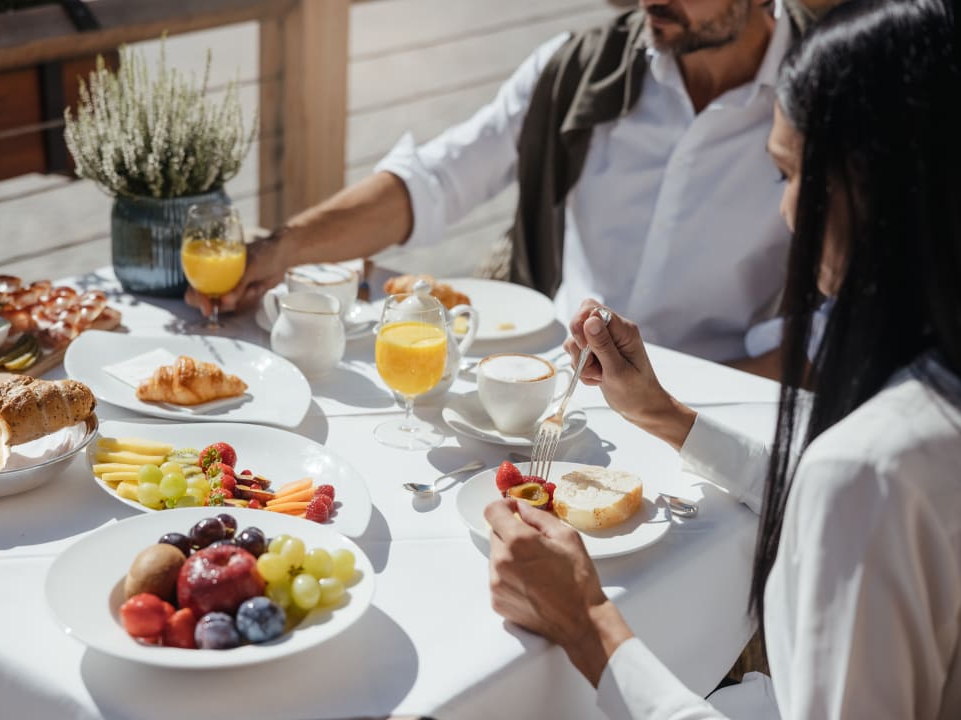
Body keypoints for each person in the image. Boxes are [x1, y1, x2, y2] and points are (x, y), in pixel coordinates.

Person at [485, 0, 961, 717]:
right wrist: (665, 416)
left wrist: (586, 622)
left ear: (878, 188)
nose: (787, 215)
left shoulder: (868, 471)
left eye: (790, 176)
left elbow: (852, 489)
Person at [188, 1, 835, 371]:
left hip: (728, 401)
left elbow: (847, 317)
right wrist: (278, 250)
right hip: (557, 389)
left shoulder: (837, 96)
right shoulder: (577, 67)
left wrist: (692, 417)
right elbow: (438, 179)